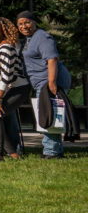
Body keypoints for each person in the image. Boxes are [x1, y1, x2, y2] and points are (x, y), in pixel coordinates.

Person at [17, 11, 72, 158]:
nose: (24, 26)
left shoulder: (42, 37)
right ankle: (56, 150)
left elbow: (52, 59)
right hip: (41, 83)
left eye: (27, 22)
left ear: (34, 22)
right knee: (50, 114)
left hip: (49, 82)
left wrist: (52, 84)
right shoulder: (29, 40)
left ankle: (50, 151)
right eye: (20, 24)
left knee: (48, 114)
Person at [0, 18, 30, 159]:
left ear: (4, 30)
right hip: (5, 89)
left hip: (17, 88)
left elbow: (7, 76)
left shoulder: (6, 48)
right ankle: (13, 153)